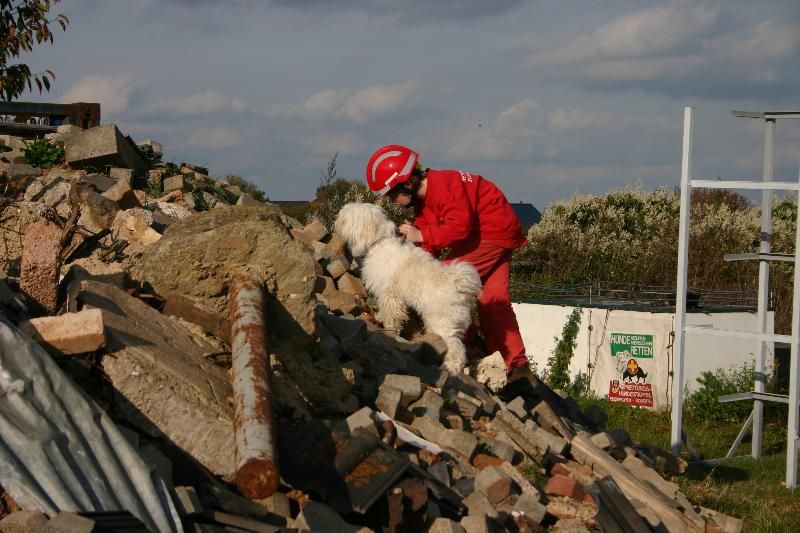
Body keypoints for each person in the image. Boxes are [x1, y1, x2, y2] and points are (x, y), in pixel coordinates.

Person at [365, 144, 533, 380]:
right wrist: (415, 245)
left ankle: (463, 338)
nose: (394, 201)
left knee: (446, 282)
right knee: (493, 302)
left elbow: (459, 226)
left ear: (407, 183)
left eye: (393, 195)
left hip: (491, 233)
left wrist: (420, 235)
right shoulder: (423, 202)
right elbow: (428, 244)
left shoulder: (446, 184)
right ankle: (517, 366)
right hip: (494, 231)